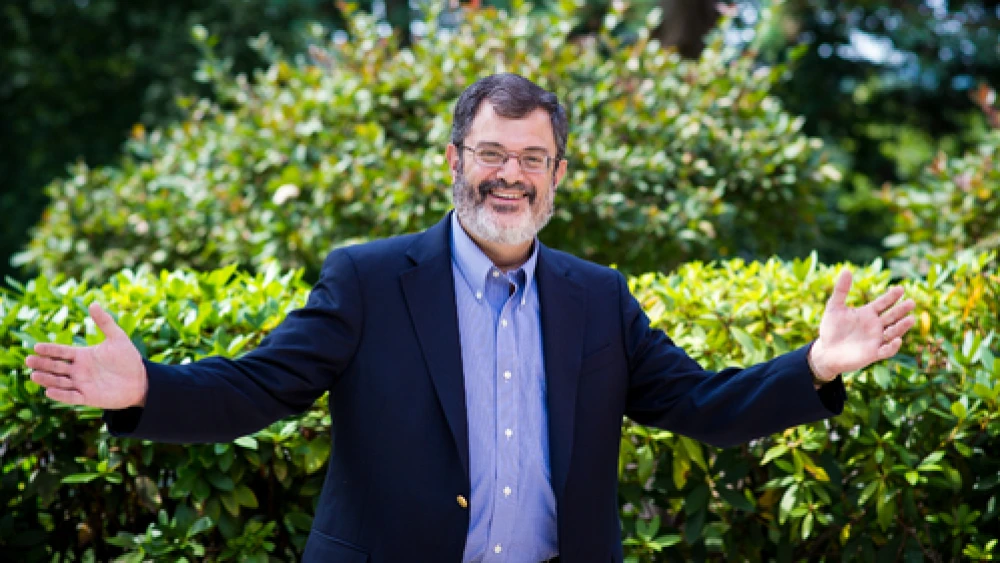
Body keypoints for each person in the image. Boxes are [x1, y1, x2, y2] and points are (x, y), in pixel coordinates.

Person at [26, 73, 916, 562]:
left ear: (558, 174)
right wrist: (147, 391)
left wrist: (814, 369)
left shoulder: (596, 295)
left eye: (533, 157)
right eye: (491, 151)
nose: (509, 174)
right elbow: (263, 385)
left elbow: (696, 403)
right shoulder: (371, 279)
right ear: (455, 159)